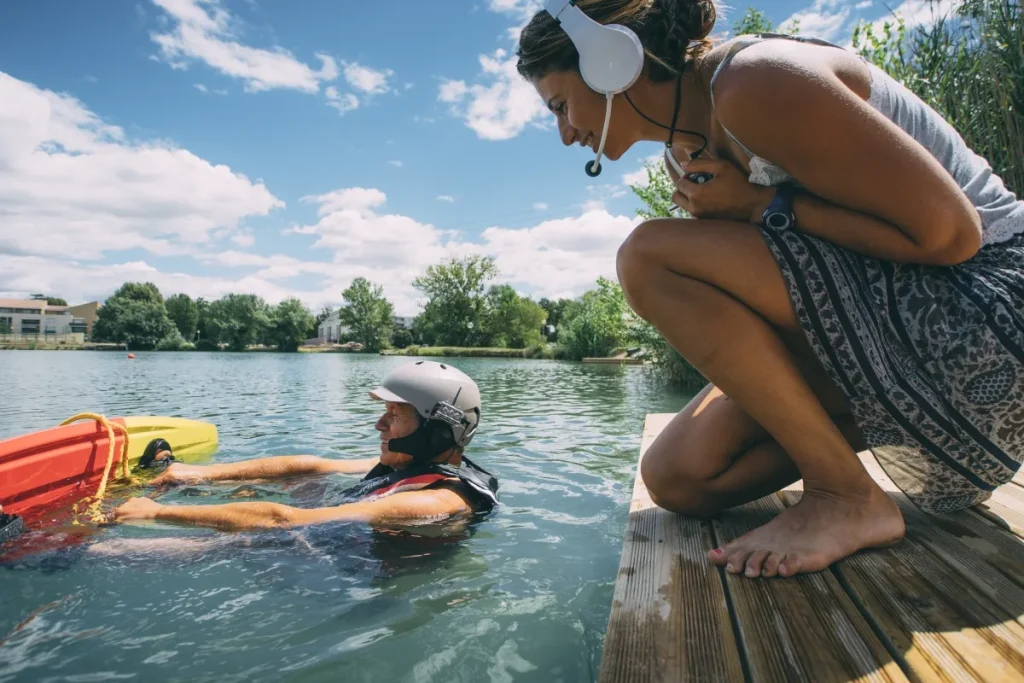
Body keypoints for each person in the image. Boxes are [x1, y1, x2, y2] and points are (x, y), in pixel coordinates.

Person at [516, 0, 1024, 578]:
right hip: (914, 336)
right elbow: (775, 295)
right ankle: (902, 446)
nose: (563, 133)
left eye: (560, 105)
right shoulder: (685, 155)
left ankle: (845, 496)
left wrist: (763, 206)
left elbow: (953, 236)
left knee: (649, 257)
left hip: (992, 313)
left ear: (610, 60)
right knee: (680, 476)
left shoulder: (756, 82)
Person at [112, 360, 499, 531]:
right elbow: (312, 466)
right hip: (331, 536)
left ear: (436, 431)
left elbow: (283, 521)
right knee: (297, 480)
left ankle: (77, 551)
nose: (379, 423)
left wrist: (157, 514)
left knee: (247, 538)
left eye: (395, 415)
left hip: (339, 579)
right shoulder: (411, 465)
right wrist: (199, 474)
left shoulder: (437, 501)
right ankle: (177, 472)